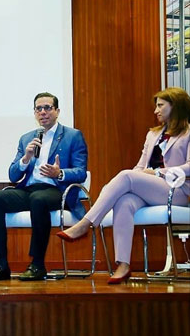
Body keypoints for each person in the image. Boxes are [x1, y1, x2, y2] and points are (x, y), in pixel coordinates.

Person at [58, 87, 190, 284]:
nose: (156, 111)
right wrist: (141, 174)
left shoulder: (188, 132)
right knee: (125, 201)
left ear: (176, 106)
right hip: (150, 187)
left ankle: (86, 223)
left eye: (161, 106)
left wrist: (157, 172)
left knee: (127, 176)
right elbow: (141, 165)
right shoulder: (153, 135)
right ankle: (123, 265)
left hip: (177, 190)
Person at [0, 92, 88, 282]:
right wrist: (26, 158)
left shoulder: (72, 136)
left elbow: (81, 171)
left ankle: (38, 264)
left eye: (47, 107)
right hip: (29, 189)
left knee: (38, 200)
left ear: (57, 111)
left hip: (57, 190)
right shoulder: (27, 139)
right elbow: (13, 175)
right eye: (38, 109)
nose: (43, 112)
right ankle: (2, 264)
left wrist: (60, 173)